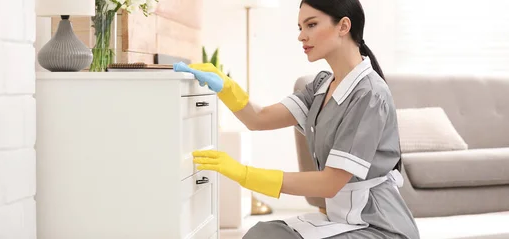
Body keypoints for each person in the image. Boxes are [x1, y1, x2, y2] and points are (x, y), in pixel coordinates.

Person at [173, 0, 420, 238]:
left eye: (311, 25)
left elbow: (330, 183)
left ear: (344, 26)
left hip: (379, 226)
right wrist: (225, 86)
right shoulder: (321, 85)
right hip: (339, 219)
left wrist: (244, 174)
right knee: (260, 235)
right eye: (300, 27)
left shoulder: (369, 94)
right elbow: (259, 119)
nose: (302, 36)